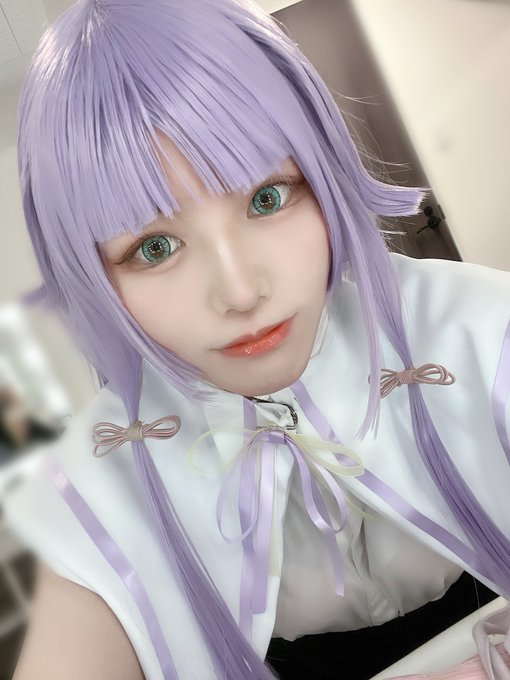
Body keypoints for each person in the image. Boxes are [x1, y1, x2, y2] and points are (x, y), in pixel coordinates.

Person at [2, 0, 509, 678]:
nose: (240, 291)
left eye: (267, 198)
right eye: (154, 247)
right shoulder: (100, 482)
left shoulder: (476, 329)